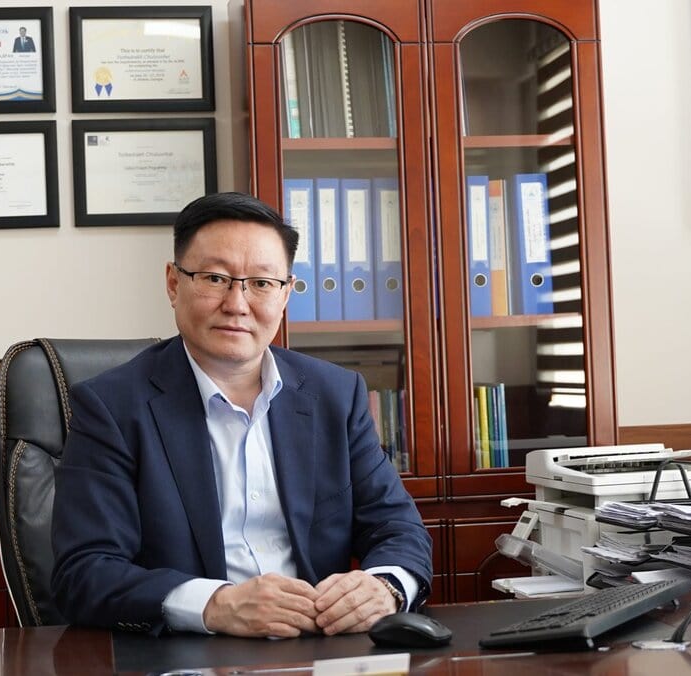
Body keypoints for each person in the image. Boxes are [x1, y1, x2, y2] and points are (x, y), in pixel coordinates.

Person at [51, 192, 432, 638]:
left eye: (261, 283)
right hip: (187, 654)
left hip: (319, 648)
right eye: (215, 278)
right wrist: (215, 605)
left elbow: (398, 527)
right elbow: (84, 572)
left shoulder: (335, 395)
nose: (237, 303)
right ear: (174, 283)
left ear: (286, 293)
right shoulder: (111, 408)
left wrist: (385, 586)